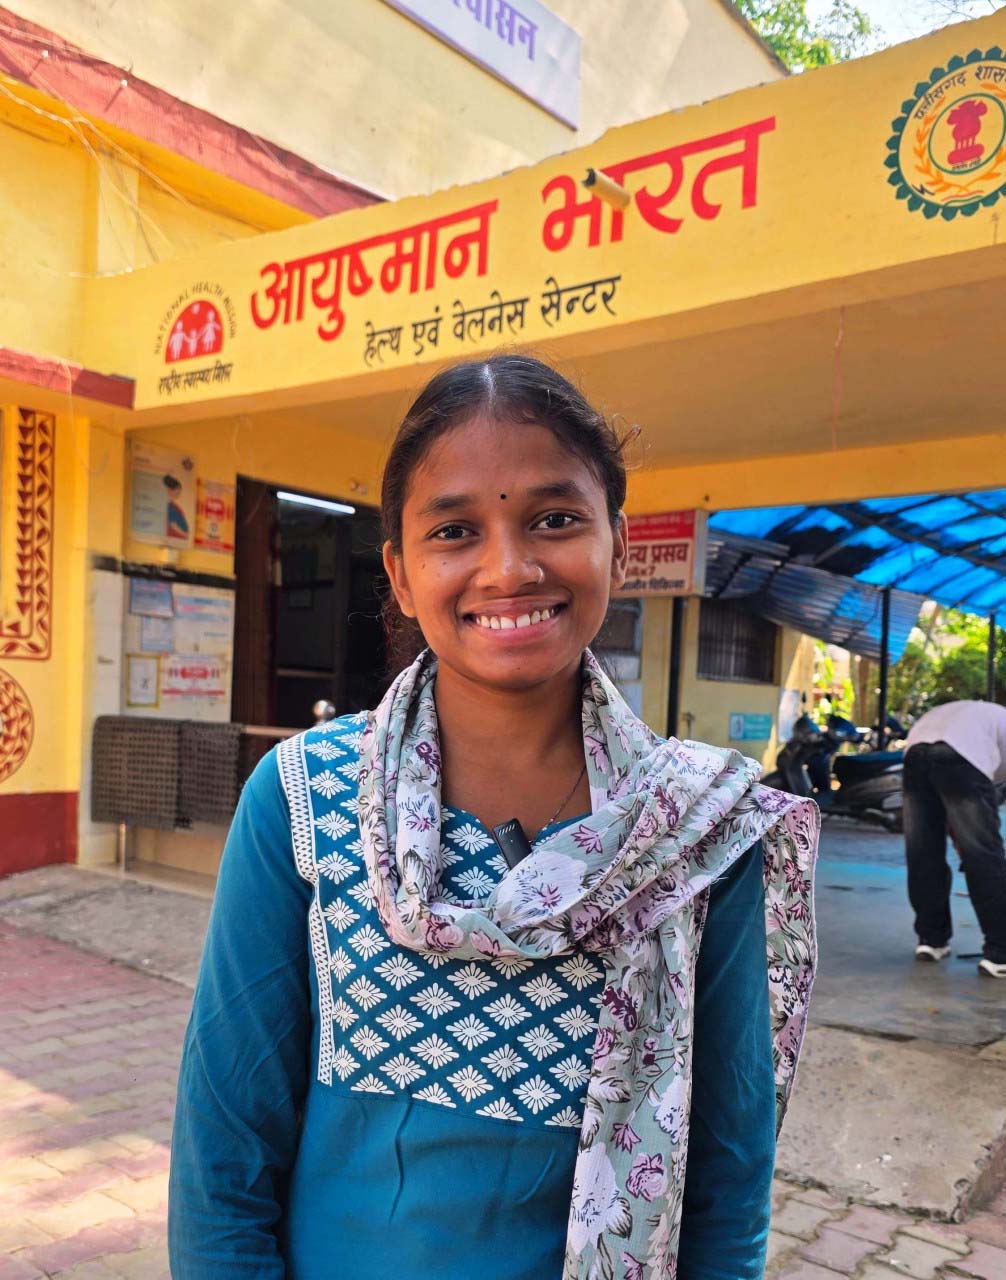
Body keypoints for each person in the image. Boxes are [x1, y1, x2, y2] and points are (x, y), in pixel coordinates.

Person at [168, 355, 819, 1279]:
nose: (509, 568)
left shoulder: (700, 833)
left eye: (554, 520)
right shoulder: (304, 800)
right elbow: (223, 1156)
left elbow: (728, 1174)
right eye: (454, 531)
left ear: (617, 542)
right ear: (400, 573)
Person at [903, 699, 1006, 978]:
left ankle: (931, 939)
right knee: (984, 855)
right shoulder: (999, 722)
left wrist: (961, 828)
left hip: (915, 753)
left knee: (924, 850)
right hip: (961, 755)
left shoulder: (988, 714)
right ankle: (1000, 951)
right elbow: (986, 790)